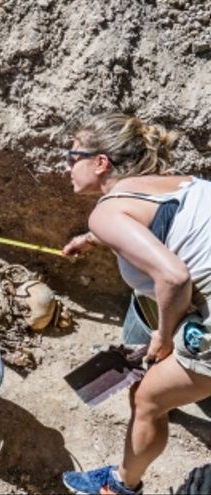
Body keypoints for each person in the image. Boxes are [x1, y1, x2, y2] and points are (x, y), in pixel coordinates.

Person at [60, 113, 211, 494]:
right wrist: (95, 237)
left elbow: (174, 278)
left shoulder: (106, 211)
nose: (66, 165)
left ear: (100, 162)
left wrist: (162, 337)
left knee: (145, 399)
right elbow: (163, 220)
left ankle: (119, 487)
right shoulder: (169, 182)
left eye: (72, 155)